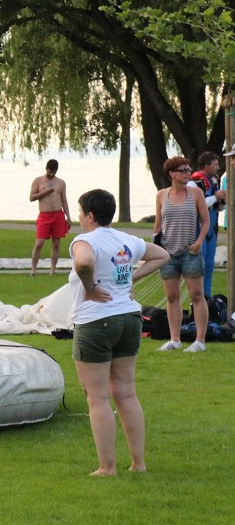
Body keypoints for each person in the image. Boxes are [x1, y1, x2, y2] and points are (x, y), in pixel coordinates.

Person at [69, 189, 169, 476]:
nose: (78, 218)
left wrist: (89, 287)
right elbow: (161, 254)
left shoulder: (85, 240)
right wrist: (129, 279)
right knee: (126, 393)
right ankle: (138, 463)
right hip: (129, 317)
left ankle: (107, 467)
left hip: (96, 321)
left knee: (97, 396)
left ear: (89, 215)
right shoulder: (126, 240)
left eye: (79, 213)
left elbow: (84, 262)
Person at [154, 156, 210, 352]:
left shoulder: (195, 193)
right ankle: (174, 339)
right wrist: (154, 248)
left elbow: (205, 221)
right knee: (172, 296)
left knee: (196, 295)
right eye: (183, 170)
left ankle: (200, 341)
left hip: (190, 252)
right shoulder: (161, 195)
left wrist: (199, 242)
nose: (187, 173)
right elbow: (158, 225)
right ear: (171, 174)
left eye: (188, 169)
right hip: (168, 254)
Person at [188, 152, 226, 297]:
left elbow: (217, 207)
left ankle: (208, 300)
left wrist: (222, 201)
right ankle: (197, 302)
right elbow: (197, 205)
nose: (218, 167)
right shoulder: (194, 183)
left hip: (212, 230)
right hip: (199, 231)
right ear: (206, 165)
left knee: (209, 267)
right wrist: (215, 197)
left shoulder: (214, 182)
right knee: (199, 267)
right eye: (215, 164)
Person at [29, 159, 72, 275]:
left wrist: (68, 217)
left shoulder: (61, 183)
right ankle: (33, 270)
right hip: (44, 215)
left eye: (53, 172)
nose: (51, 174)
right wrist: (44, 192)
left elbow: (64, 200)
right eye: (49, 172)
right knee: (39, 243)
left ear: (56, 170)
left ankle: (52, 269)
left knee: (56, 243)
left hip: (58, 215)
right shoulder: (38, 180)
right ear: (46, 169)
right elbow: (31, 198)